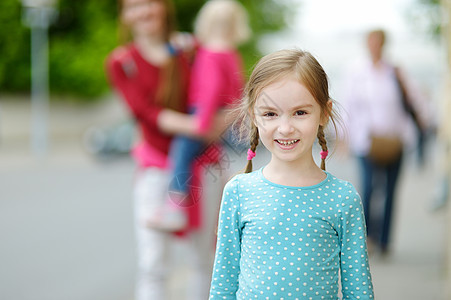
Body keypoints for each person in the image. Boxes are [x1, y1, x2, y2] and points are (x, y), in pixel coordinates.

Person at [209, 49, 374, 299]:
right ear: (254, 115)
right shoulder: (239, 191)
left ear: (324, 113)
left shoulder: (342, 198)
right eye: (270, 114)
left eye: (300, 112)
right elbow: (223, 286)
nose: (285, 128)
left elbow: (359, 291)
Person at [105, 0, 222, 299]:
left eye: (149, 3)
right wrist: (196, 125)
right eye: (133, 6)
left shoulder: (191, 48)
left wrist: (216, 123)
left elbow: (223, 92)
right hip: (156, 170)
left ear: (164, 7)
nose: (142, 11)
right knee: (153, 265)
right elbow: (145, 112)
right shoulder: (121, 62)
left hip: (203, 167)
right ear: (124, 14)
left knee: (205, 261)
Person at [148, 0, 251, 231]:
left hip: (204, 113)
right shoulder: (231, 54)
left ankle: (174, 207)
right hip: (226, 116)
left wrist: (200, 123)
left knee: (181, 152)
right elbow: (238, 89)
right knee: (222, 164)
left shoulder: (210, 53)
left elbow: (210, 89)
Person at [340, 29, 427, 255]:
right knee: (368, 189)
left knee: (390, 191)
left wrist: (419, 125)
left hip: (394, 140)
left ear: (384, 45)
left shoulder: (395, 72)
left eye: (378, 43)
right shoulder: (356, 72)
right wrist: (344, 137)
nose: (374, 46)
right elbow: (348, 105)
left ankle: (385, 240)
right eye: (371, 42)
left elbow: (413, 101)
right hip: (366, 141)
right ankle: (368, 236)